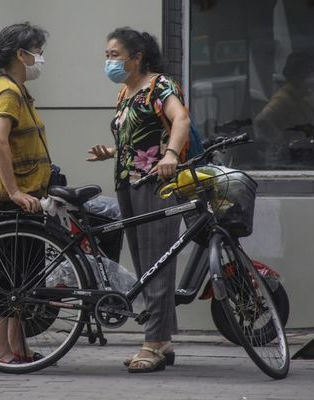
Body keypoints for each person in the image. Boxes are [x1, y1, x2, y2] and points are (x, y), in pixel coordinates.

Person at [87, 27, 191, 373]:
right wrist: (112, 152)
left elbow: (181, 119)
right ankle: (163, 340)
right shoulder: (126, 92)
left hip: (157, 184)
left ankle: (153, 344)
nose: (109, 61)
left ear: (137, 57)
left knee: (157, 262)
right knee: (147, 264)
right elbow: (139, 138)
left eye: (114, 55)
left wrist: (172, 154)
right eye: (106, 55)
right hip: (128, 183)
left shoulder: (160, 86)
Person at [0, 22, 51, 364]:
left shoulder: (15, 89)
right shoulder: (7, 91)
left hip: (30, 195)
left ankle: (17, 346)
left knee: (22, 276)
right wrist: (14, 191)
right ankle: (0, 349)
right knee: (6, 273)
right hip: (17, 197)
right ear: (20, 55)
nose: (40, 58)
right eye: (37, 51)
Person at [254, 50, 314, 164]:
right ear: (299, 76)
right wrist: (282, 144)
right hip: (289, 163)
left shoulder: (304, 99)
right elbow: (262, 120)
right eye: (310, 75)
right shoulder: (283, 99)